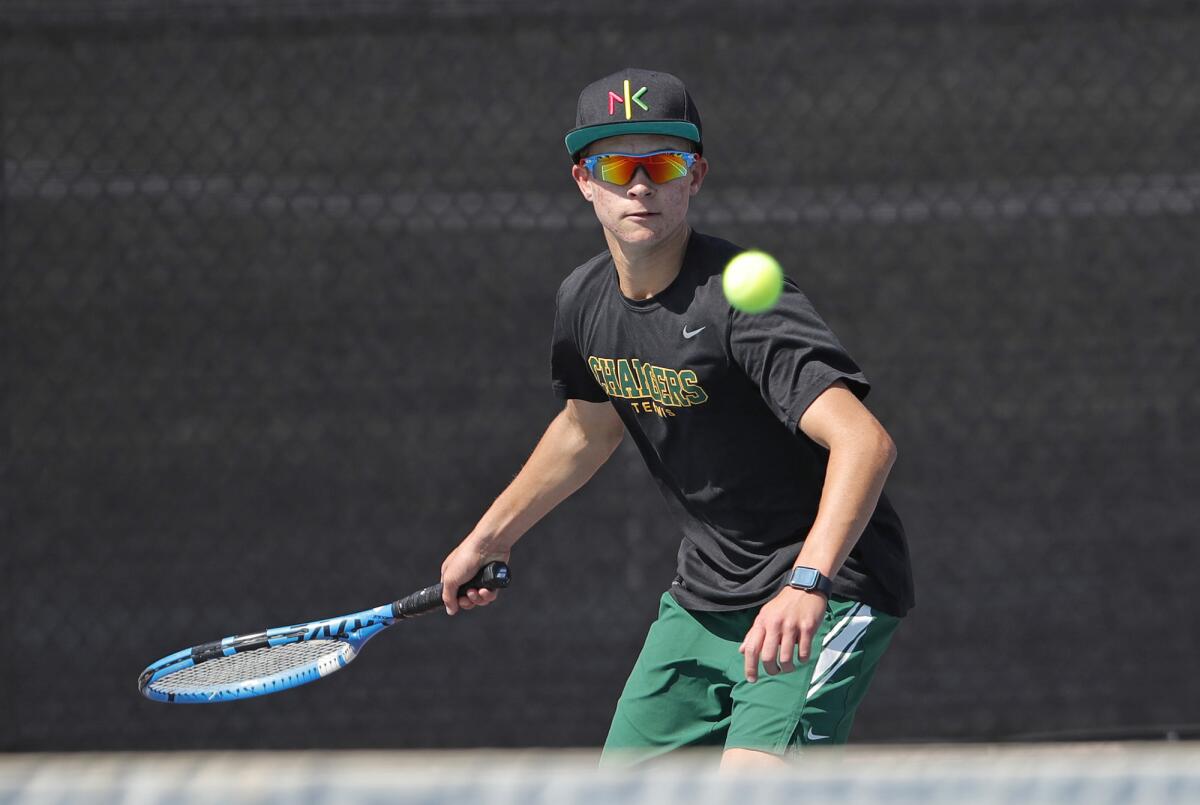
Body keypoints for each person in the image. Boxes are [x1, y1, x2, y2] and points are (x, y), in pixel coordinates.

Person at [439, 68, 915, 769]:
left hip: (826, 585)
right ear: (583, 180)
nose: (639, 185)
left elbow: (864, 442)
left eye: (661, 164)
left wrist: (806, 583)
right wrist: (491, 535)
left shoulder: (744, 299)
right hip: (705, 596)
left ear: (694, 177)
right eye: (616, 166)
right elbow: (587, 424)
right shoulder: (584, 301)